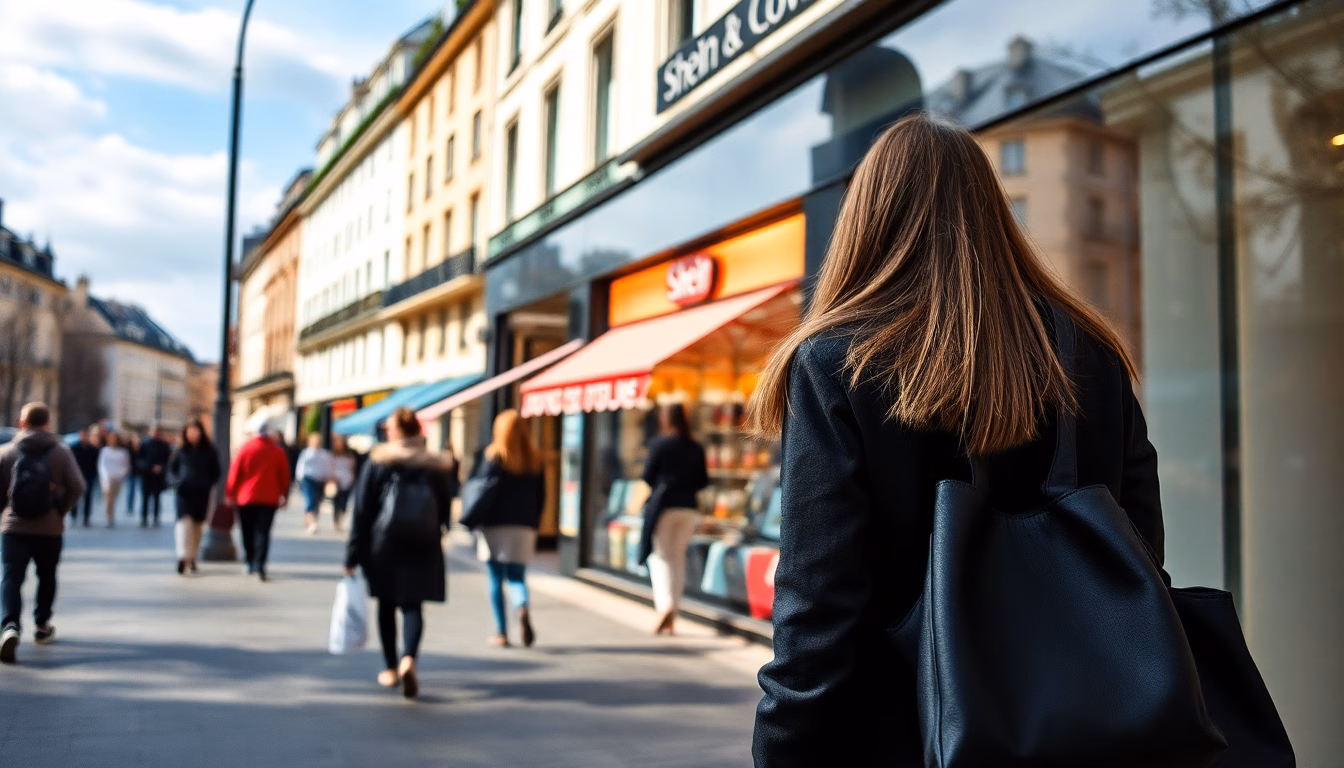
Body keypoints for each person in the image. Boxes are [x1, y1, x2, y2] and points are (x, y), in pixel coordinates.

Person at [748, 115, 1160, 766]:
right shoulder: (1091, 356)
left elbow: (818, 619)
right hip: (1086, 729)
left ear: (865, 220)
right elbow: (1141, 562)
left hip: (903, 737)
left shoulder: (836, 364)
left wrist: (782, 751)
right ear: (993, 212)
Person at [344, 407, 456, 698]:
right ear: (417, 431)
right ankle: (410, 659)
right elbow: (445, 507)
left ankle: (391, 668)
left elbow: (362, 510)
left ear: (394, 431)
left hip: (384, 543)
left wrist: (352, 554)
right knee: (413, 604)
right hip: (424, 541)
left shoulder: (380, 461)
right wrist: (439, 529)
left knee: (386, 604)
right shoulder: (433, 464)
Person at [0, 403, 87, 664]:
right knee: (46, 575)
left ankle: (10, 626)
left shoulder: (7, 451)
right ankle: (42, 625)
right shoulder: (61, 451)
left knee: (12, 577)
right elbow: (78, 486)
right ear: (48, 424)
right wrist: (60, 509)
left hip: (13, 527)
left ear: (22, 423)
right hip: (49, 527)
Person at [460, 409, 544, 649]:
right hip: (524, 526)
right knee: (517, 576)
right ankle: (522, 606)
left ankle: (501, 632)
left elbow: (480, 491)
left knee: (496, 578)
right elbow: (541, 497)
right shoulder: (534, 459)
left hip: (495, 525)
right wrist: (534, 523)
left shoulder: (494, 456)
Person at [639, 403, 709, 636]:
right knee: (677, 558)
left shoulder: (660, 443)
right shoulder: (696, 447)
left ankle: (665, 607)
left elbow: (647, 476)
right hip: (688, 509)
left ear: (666, 419)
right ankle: (672, 614)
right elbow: (703, 481)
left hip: (664, 507)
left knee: (660, 557)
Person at [226, 421, 291, 581]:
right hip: (269, 499)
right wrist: (284, 495)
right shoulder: (277, 451)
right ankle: (260, 563)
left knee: (247, 531)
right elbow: (285, 476)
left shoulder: (245, 449)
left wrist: (230, 493)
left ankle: (249, 561)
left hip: (246, 498)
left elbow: (234, 473)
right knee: (263, 532)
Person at [167, 419, 221, 575]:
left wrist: (207, 483)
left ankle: (192, 557)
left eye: (196, 430)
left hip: (201, 494)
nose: (193, 434)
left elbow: (216, 471)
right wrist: (176, 483)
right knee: (184, 524)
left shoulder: (209, 451)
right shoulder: (180, 450)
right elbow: (171, 470)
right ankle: (183, 555)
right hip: (183, 493)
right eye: (190, 430)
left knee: (197, 526)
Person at [295, 433, 333, 534]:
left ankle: (312, 518)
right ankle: (311, 522)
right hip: (308, 479)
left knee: (317, 501)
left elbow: (328, 467)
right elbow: (300, 467)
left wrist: (329, 479)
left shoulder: (325, 454)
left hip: (320, 480)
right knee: (310, 500)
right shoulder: (306, 453)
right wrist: (299, 479)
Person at [137, 426, 172, 528]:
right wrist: (149, 467)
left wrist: (161, 468)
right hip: (147, 475)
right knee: (145, 498)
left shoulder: (164, 445)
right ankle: (144, 517)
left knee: (157, 497)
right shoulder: (145, 444)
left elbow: (168, 460)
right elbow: (139, 460)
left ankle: (156, 517)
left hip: (158, 476)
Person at [97, 432, 132, 527]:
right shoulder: (105, 450)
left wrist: (121, 474)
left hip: (118, 478)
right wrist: (105, 476)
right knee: (108, 498)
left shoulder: (123, 451)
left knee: (114, 498)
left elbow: (126, 465)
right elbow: (101, 465)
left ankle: (111, 515)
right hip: (107, 478)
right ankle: (109, 517)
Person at [69, 428, 101, 528]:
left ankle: (86, 517)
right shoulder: (74, 447)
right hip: (76, 475)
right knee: (75, 495)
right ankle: (74, 514)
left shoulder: (93, 449)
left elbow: (96, 463)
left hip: (89, 475)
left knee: (88, 496)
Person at [329, 435, 357, 533]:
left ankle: (341, 519)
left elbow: (352, 469)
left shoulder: (349, 456)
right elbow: (330, 468)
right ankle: (336, 520)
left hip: (347, 481)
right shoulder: (333, 456)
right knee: (336, 502)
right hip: (336, 481)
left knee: (344, 502)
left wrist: (352, 479)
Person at [124, 433, 141, 517]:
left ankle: (140, 507)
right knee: (131, 490)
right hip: (131, 472)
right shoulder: (128, 448)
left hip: (139, 472)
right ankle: (130, 507)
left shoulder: (141, 448)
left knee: (140, 491)